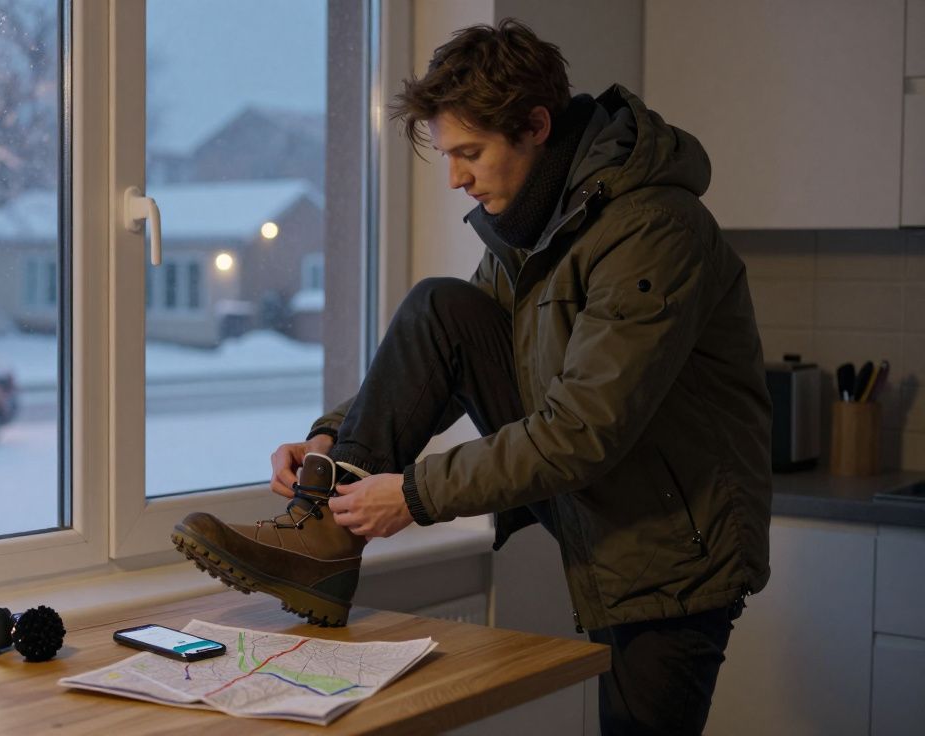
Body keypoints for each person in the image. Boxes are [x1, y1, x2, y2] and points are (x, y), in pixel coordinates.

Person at [173, 19, 771, 735]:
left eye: (470, 152)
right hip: (607, 503)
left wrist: (416, 495)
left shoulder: (653, 229)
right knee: (440, 306)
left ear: (536, 126)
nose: (456, 176)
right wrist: (334, 438)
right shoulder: (538, 227)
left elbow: (582, 431)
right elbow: (443, 349)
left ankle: (326, 542)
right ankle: (323, 535)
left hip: (677, 553)